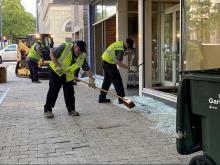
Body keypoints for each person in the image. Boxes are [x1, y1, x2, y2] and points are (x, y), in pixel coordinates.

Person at [44, 40, 95, 118]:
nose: (80, 52)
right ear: (76, 46)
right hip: (56, 72)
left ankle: (71, 109)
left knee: (70, 92)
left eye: (82, 51)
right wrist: (57, 65)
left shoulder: (81, 56)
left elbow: (86, 68)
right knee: (53, 91)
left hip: (67, 75)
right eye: (79, 50)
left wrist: (91, 79)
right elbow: (52, 54)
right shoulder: (65, 46)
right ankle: (48, 110)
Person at [98, 38, 137, 104]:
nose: (128, 49)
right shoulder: (120, 50)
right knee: (117, 81)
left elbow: (117, 54)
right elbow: (120, 63)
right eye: (129, 47)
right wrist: (129, 68)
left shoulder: (120, 44)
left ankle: (102, 97)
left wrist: (127, 52)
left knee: (107, 81)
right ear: (127, 44)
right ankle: (122, 99)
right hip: (109, 64)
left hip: (105, 61)